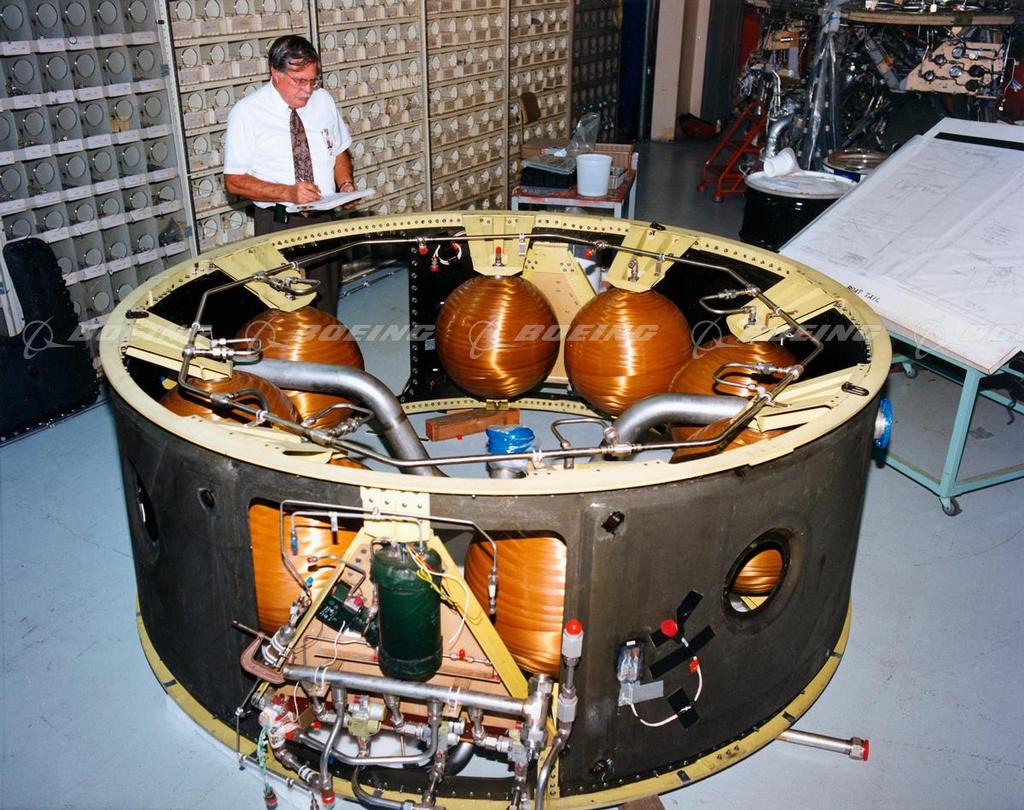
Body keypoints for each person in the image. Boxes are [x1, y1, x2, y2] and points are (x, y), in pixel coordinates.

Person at [223, 35, 355, 314]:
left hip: (323, 219)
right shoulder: (247, 113)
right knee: (286, 310)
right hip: (278, 222)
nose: (307, 90)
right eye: (299, 81)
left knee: (325, 306)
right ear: (275, 72)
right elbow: (234, 181)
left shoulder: (323, 101)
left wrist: (345, 184)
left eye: (312, 81)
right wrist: (288, 193)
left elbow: (339, 151)